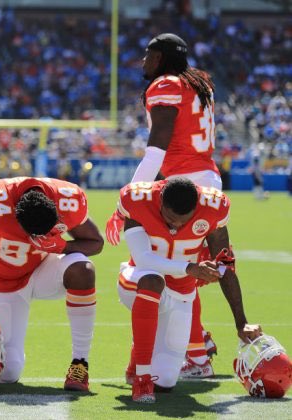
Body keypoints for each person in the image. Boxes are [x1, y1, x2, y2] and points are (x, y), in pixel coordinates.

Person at [104, 33, 221, 376]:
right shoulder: (198, 82)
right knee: (184, 274)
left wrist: (127, 203)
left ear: (162, 58)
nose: (144, 61)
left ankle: (193, 356)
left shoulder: (167, 84)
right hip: (206, 182)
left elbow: (156, 151)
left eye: (149, 55)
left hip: (183, 188)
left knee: (161, 271)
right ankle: (196, 347)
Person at [116, 177, 262, 403]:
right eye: (170, 219)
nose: (176, 226)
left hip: (181, 292)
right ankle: (142, 378)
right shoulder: (138, 199)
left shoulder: (213, 208)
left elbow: (225, 266)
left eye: (183, 221)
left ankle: (139, 355)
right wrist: (189, 268)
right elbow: (143, 259)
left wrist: (241, 322)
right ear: (160, 201)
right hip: (138, 280)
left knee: (165, 382)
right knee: (153, 280)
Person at [0, 177, 104, 391]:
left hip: (42, 270)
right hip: (1, 282)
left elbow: (96, 242)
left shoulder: (68, 199)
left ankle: (80, 364)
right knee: (8, 371)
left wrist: (62, 246)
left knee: (82, 270)